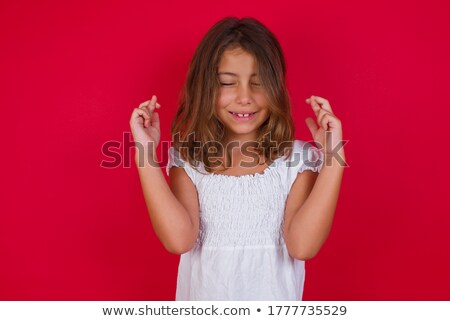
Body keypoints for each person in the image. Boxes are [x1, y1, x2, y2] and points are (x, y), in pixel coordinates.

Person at [129, 16, 346, 300]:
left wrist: (334, 157)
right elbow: (178, 240)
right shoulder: (189, 159)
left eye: (258, 83)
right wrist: (145, 153)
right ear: (205, 88)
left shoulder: (297, 161)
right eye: (228, 83)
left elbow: (303, 247)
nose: (245, 97)